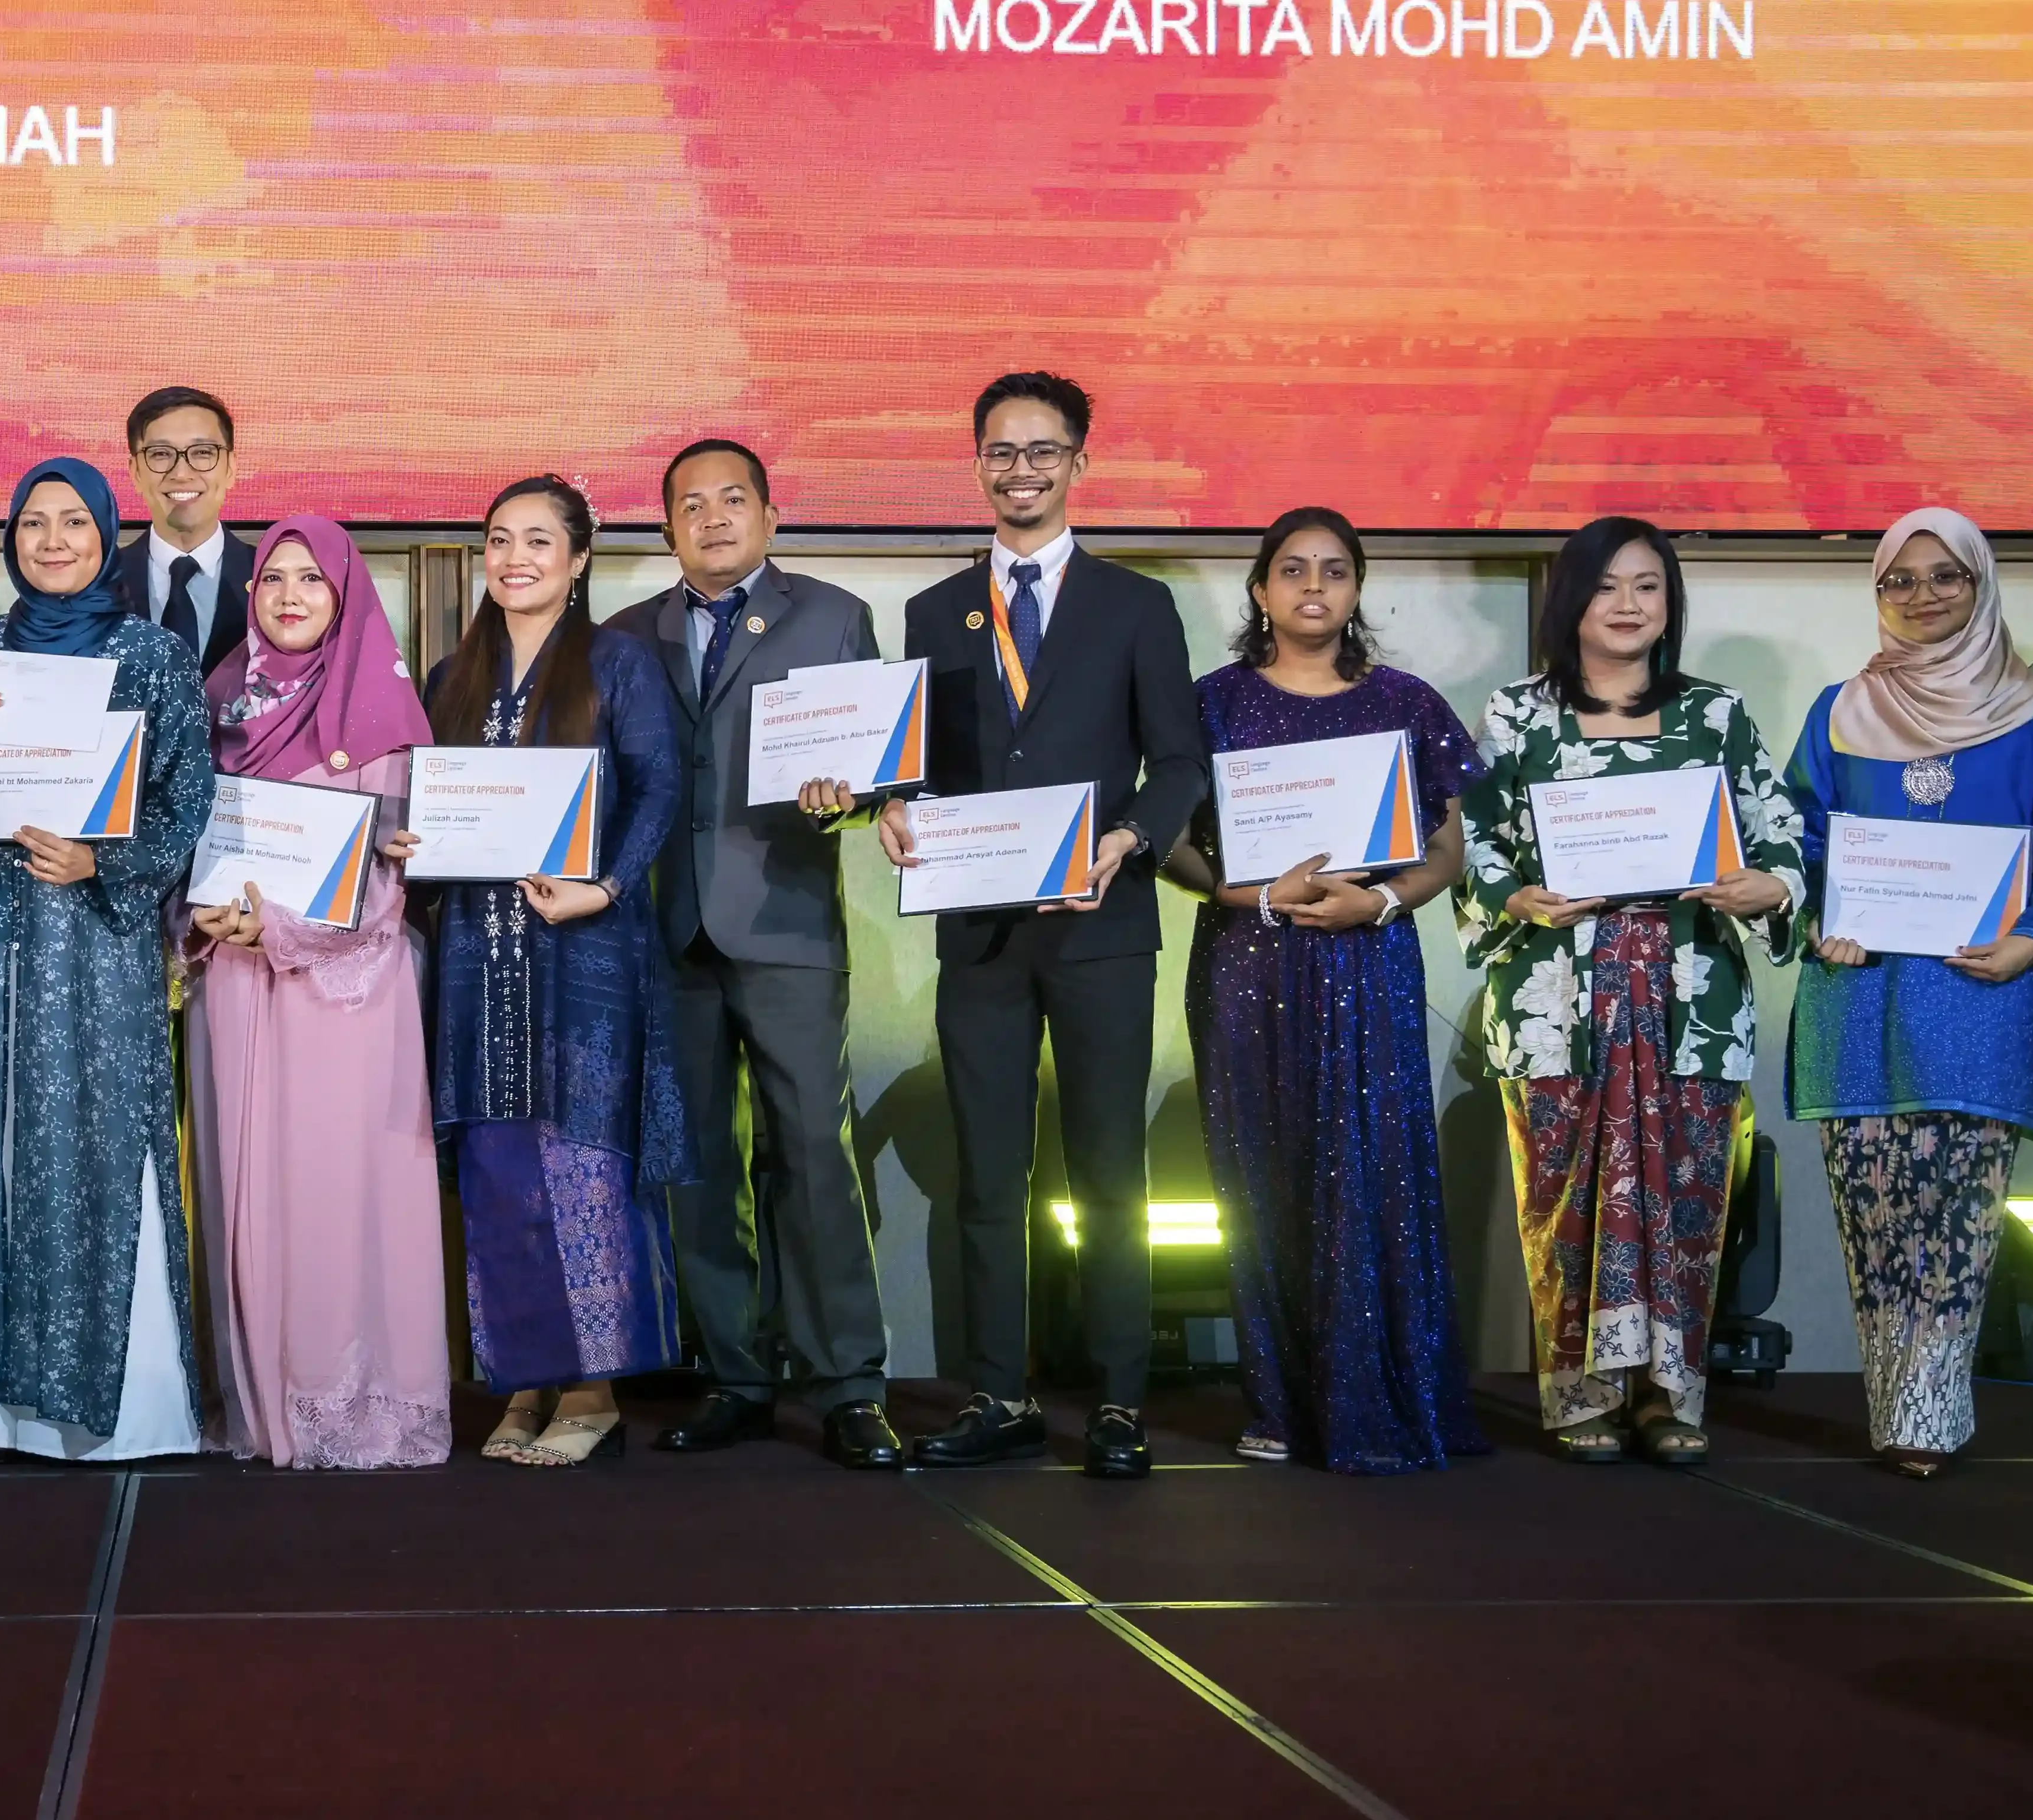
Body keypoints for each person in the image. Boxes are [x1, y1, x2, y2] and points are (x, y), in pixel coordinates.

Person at [877, 371, 1204, 1477]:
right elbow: (918, 768)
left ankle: (1117, 1402)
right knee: (988, 1174)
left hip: (1102, 928)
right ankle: (999, 1392)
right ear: (978, 464)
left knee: (1113, 1172)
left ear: (1079, 464)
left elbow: (1182, 762)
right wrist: (891, 807)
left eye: (1042, 452)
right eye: (1001, 453)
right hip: (979, 934)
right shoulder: (934, 611)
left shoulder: (1136, 605)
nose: (1021, 470)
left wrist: (1132, 841)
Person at [0, 457, 217, 1460]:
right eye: (34, 522)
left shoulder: (151, 654)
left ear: (108, 534)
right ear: (11, 536)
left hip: (92, 932)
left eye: (75, 522)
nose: (55, 539)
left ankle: (108, 1404)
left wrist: (102, 860)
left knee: (95, 1135)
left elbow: (185, 800)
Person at [1458, 516, 1808, 1467]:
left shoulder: (1717, 715)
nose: (1626, 604)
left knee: (1690, 1193)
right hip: (1555, 994)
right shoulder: (1517, 715)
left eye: (1647, 586)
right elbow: (1472, 850)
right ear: (1571, 598)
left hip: (1690, 993)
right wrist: (1512, 897)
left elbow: (1780, 837)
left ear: (1670, 604)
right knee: (1564, 1197)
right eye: (1607, 585)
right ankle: (1580, 1393)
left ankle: (1669, 1393)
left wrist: (1768, 885)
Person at [1165, 509, 1488, 1473]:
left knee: (1374, 1170)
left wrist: (1382, 901)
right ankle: (1275, 1401)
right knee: (1257, 1179)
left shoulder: (1406, 701)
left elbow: (1447, 846)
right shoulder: (1207, 704)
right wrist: (1248, 890)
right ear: (1260, 590)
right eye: (1293, 569)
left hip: (1368, 956)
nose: (1315, 586)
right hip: (1247, 956)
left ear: (1356, 590)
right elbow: (1170, 836)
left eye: (1336, 571)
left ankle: (1381, 1392)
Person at [1786, 507, 2033, 1476]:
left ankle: (1930, 1411)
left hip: (1981, 1000)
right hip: (1862, 997)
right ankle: (1900, 1406)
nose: (1922, 596)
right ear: (1877, 591)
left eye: (1945, 576)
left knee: (1957, 1215)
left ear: (1980, 583)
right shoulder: (1840, 712)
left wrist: (2032, 943)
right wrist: (1813, 916)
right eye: (1899, 580)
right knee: (1878, 1215)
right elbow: (1798, 844)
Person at [601, 439, 901, 1471]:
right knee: (699, 1167)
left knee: (815, 1153)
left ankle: (851, 1383)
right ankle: (734, 1372)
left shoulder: (831, 615)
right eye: (692, 504)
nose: (715, 517)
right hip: (665, 928)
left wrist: (852, 797)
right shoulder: (625, 635)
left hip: (784, 921)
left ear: (771, 516)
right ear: (668, 527)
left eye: (735, 500)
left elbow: (871, 768)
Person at [396, 474, 689, 1467]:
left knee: (584, 1165)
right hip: (479, 955)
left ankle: (593, 1385)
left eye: (537, 540)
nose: (515, 557)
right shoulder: (450, 676)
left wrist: (605, 887)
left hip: (585, 952)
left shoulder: (620, 663)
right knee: (498, 1168)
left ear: (578, 558)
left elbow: (660, 790)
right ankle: (519, 1380)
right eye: (499, 539)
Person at [181, 514, 451, 1468]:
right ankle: (262, 1403)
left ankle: (353, 1401)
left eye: (312, 580)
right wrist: (198, 919)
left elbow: (391, 883)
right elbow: (189, 847)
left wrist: (286, 930)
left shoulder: (383, 711)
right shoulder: (218, 702)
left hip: (347, 993)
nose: (289, 595)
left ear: (346, 595)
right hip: (240, 989)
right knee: (246, 1190)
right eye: (272, 580)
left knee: (340, 1194)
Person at [106, 385, 252, 673]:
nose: (182, 473)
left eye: (202, 453)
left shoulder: (270, 579)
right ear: (135, 472)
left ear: (231, 468)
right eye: (161, 454)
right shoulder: (98, 582)